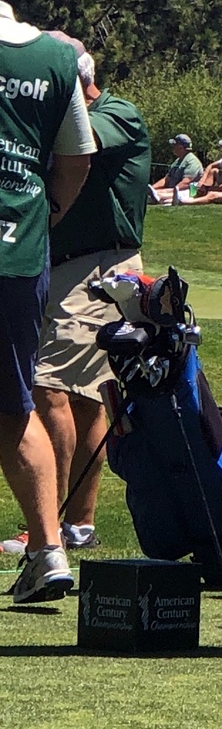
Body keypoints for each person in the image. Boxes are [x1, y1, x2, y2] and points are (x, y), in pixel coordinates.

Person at [3, 34, 148, 560]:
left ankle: (48, 526)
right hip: (66, 264)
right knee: (85, 399)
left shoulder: (118, 113)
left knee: (48, 389)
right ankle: (74, 524)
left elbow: (73, 146)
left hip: (98, 264)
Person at [0, 0, 95, 604]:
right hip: (21, 250)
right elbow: (76, 160)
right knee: (15, 401)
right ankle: (48, 549)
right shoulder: (57, 57)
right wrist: (47, 214)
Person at [177, 135, 222, 205]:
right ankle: (199, 191)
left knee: (212, 195)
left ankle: (185, 202)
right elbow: (211, 166)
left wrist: (212, 189)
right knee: (214, 171)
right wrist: (202, 182)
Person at [148, 134, 202, 204]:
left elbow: (186, 183)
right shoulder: (177, 161)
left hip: (190, 192)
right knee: (155, 193)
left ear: (180, 147)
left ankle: (158, 197)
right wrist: (152, 188)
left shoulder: (192, 161)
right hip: (174, 191)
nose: (172, 148)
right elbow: (167, 179)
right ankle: (156, 197)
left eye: (174, 145)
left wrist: (168, 191)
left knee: (160, 195)